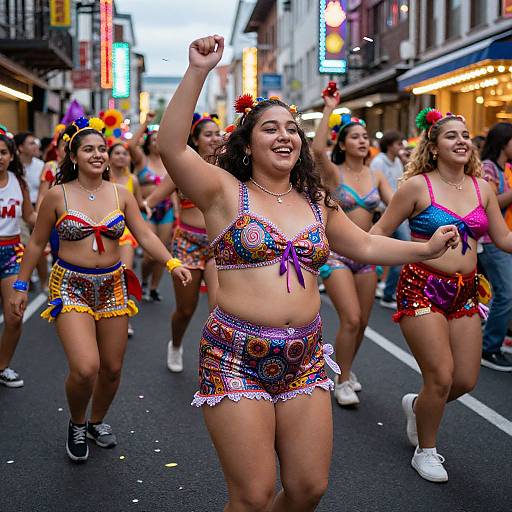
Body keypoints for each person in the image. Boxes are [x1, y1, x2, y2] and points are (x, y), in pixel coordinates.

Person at [156, 35, 458, 510]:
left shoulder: (316, 201)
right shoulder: (223, 191)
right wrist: (198, 71)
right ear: (247, 143)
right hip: (235, 356)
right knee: (253, 496)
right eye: (270, 129)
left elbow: (362, 243)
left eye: (292, 129)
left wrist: (423, 249)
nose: (285, 136)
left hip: (306, 358)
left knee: (307, 489)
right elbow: (171, 146)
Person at [11, 117, 191, 463]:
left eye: (102, 149)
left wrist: (171, 263)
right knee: (85, 368)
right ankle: (77, 422)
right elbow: (35, 244)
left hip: (113, 286)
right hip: (70, 287)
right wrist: (20, 285)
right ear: (74, 156)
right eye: (89, 149)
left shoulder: (121, 194)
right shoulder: (56, 195)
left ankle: (97, 421)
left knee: (111, 367)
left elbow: (146, 235)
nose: (97, 154)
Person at [371, 108, 512, 483]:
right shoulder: (417, 187)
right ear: (433, 147)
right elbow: (378, 233)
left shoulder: (483, 188)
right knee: (441, 376)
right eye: (452, 135)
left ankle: (418, 406)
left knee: (465, 380)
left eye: (466, 135)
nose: (462, 141)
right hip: (422, 287)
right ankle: (426, 450)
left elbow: (503, 240)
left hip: (465, 292)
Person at [311, 93, 393, 406]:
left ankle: (344, 369)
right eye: (355, 137)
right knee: (352, 319)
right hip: (337, 256)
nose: (362, 141)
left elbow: (395, 204)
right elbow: (317, 150)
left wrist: (382, 231)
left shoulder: (377, 175)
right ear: (343, 144)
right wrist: (330, 108)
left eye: (365, 137)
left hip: (367, 256)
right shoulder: (334, 174)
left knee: (363, 324)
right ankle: (342, 380)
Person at [143, 113, 221, 372]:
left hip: (218, 247)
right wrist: (140, 209)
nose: (214, 138)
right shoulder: (182, 168)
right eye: (208, 134)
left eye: (217, 133)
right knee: (185, 310)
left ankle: (215, 361)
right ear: (195, 140)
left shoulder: (230, 168)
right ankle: (175, 344)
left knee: (219, 308)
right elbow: (151, 200)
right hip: (187, 243)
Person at [0, 134, 36, 387]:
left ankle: (2, 367)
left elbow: (31, 217)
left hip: (11, 252)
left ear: (11, 156)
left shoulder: (18, 182)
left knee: (14, 315)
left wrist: (60, 222)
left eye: (3, 152)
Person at [128, 112, 174, 301]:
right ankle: (145, 280)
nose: (156, 142)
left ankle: (154, 288)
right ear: (148, 142)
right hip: (145, 209)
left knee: (162, 252)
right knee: (149, 255)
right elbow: (131, 145)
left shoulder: (169, 162)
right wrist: (145, 123)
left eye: (159, 140)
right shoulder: (141, 160)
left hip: (167, 210)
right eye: (153, 139)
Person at [477, 122, 512, 371]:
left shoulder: (506, 168)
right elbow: (490, 202)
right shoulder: (488, 168)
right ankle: (489, 346)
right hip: (491, 241)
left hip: (503, 237)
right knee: (505, 293)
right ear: (503, 143)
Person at [370, 130, 408, 310]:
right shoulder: (378, 162)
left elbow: (399, 186)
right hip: (385, 213)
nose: (402, 147)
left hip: (398, 211)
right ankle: (385, 288)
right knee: (395, 249)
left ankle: (386, 288)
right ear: (390, 145)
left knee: (400, 250)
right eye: (399, 144)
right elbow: (375, 189)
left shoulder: (398, 162)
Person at [109, 142, 144, 338]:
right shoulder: (102, 178)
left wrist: (146, 206)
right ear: (110, 157)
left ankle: (124, 318)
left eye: (125, 153)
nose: (122, 156)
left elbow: (138, 206)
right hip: (103, 233)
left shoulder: (133, 180)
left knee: (125, 274)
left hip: (125, 234)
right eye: (117, 153)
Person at [13, 132, 47, 288]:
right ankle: (25, 277)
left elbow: (43, 191)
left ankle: (43, 280)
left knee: (38, 247)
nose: (36, 146)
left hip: (37, 210)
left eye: (36, 142)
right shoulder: (13, 167)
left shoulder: (41, 165)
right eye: (31, 143)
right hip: (17, 211)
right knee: (24, 245)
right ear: (20, 147)